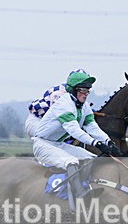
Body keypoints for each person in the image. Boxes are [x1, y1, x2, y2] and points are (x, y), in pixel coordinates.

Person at [29, 69, 122, 199]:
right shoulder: (63, 104)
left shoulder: (83, 106)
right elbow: (74, 130)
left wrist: (108, 142)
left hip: (58, 144)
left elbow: (92, 127)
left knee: (90, 157)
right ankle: (80, 194)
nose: (86, 94)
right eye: (83, 90)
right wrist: (96, 143)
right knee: (71, 161)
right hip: (43, 145)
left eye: (87, 91)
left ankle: (83, 186)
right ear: (73, 90)